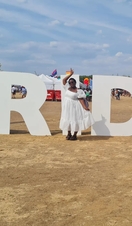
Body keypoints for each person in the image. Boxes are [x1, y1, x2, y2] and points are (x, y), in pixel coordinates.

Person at [59, 69, 95, 140]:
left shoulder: (79, 91)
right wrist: (70, 74)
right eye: (70, 82)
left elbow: (81, 99)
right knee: (67, 119)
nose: (71, 83)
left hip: (75, 107)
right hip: (67, 107)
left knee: (75, 119)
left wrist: (85, 107)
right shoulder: (67, 88)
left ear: (75, 83)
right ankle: (68, 133)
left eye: (72, 82)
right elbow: (63, 80)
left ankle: (74, 135)